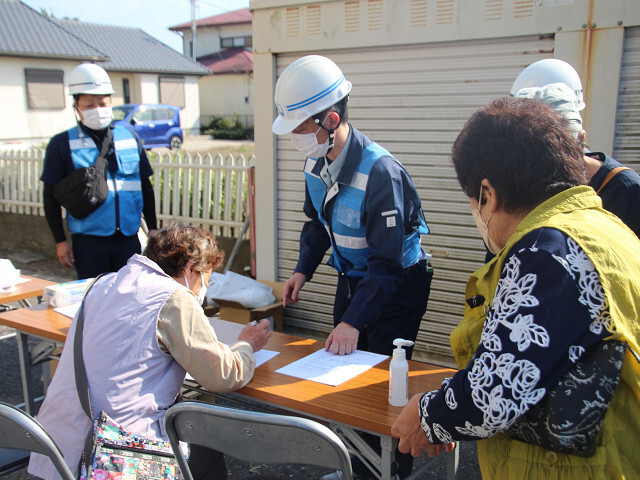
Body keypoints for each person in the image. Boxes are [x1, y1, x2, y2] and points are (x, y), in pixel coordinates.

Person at [391, 97, 640, 478]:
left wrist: (427, 415)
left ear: (488, 195)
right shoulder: (606, 228)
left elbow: (493, 393)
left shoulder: (549, 250)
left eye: (473, 199)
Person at [271, 54, 433, 480]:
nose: (296, 138)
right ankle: (356, 466)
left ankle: (390, 470)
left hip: (397, 285)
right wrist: (303, 270)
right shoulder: (315, 163)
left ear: (331, 118)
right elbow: (316, 223)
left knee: (380, 381)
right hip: (355, 278)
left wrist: (353, 321)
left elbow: (388, 264)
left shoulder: (381, 172)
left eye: (301, 127)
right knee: (341, 372)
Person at [28, 222, 272, 480]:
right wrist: (247, 344)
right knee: (205, 446)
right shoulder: (174, 298)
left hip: (57, 442)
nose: (204, 289)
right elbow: (222, 376)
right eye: (206, 278)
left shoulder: (103, 283)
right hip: (114, 454)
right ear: (191, 268)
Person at [41, 63, 158, 279]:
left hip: (129, 238)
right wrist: (60, 240)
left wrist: (153, 228)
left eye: (102, 103)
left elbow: (144, 186)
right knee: (95, 302)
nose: (97, 109)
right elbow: (50, 197)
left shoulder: (130, 138)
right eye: (89, 104)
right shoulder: (61, 143)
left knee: (131, 301)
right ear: (76, 107)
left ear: (111, 102)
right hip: (88, 241)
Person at [510, 58, 640, 238]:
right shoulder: (516, 185)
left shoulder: (626, 190)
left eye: (559, 152)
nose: (549, 170)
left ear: (582, 138)